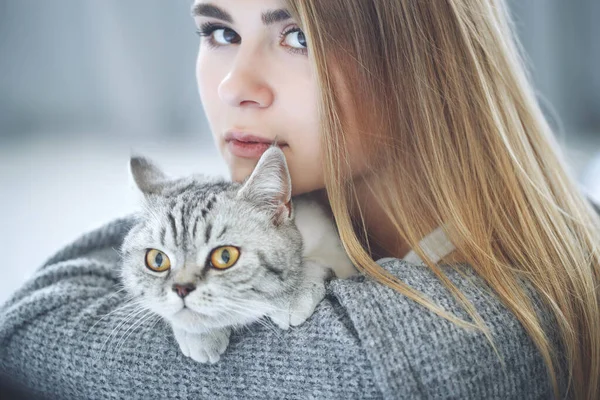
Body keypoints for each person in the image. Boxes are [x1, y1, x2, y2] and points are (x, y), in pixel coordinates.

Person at [1, 0, 599, 398]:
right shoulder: (304, 199)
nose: (235, 84)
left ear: (423, 62)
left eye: (297, 36)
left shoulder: (427, 342)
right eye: (220, 32)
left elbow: (27, 330)